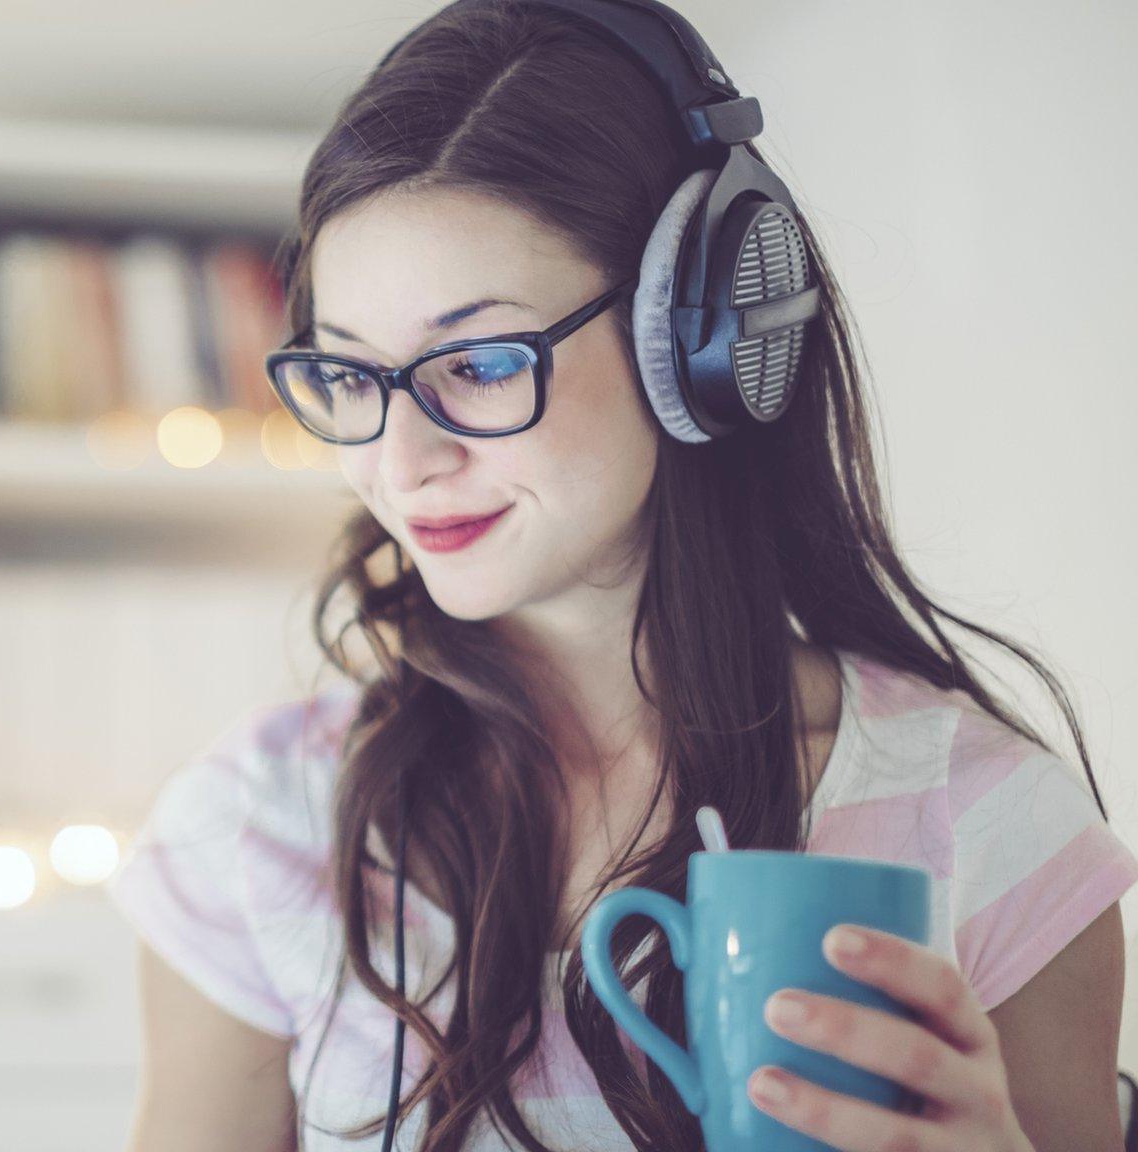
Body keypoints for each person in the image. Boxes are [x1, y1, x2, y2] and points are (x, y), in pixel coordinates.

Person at [107, 3, 1138, 1151]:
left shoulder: (987, 827)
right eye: (349, 376)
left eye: (479, 362)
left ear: (698, 340)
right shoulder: (257, 828)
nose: (401, 463)